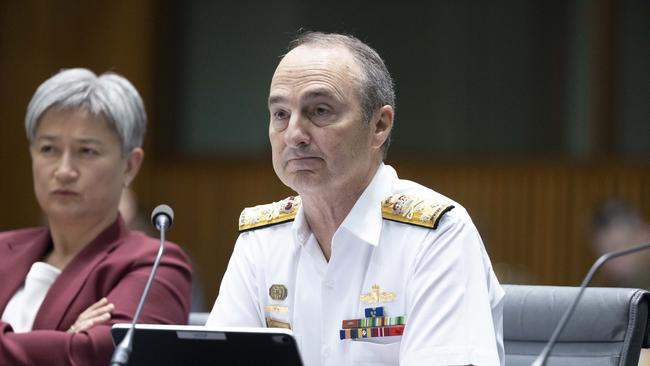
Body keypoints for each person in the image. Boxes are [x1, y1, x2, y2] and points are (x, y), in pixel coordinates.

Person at [207, 32, 504, 365]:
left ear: (379, 125)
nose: (294, 135)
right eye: (280, 114)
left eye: (319, 111)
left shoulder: (438, 237)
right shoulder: (261, 240)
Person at [0, 68, 193, 365]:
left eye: (86, 151)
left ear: (130, 165)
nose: (64, 171)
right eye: (48, 149)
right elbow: (73, 353)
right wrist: (66, 340)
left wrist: (76, 348)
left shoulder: (156, 264)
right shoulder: (3, 249)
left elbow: (96, 355)